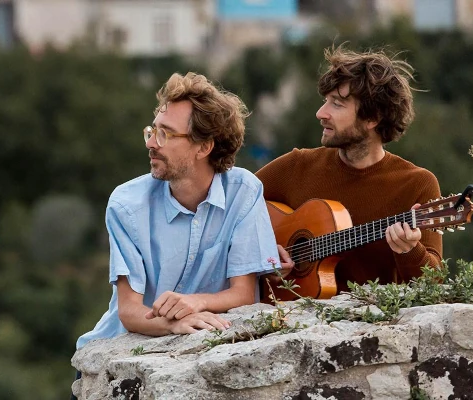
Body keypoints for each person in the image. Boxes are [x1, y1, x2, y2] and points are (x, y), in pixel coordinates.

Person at [76, 72, 283, 351]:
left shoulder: (244, 192)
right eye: (152, 130)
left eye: (165, 134)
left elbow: (244, 294)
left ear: (204, 147)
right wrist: (171, 324)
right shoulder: (126, 204)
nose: (150, 143)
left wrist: (195, 302)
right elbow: (128, 311)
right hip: (116, 351)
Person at [256, 46, 442, 298]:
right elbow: (231, 208)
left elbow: (435, 285)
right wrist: (263, 254)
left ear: (372, 117)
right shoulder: (296, 165)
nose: (321, 113)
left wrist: (410, 250)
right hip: (288, 320)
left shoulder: (417, 184)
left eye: (337, 104)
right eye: (326, 101)